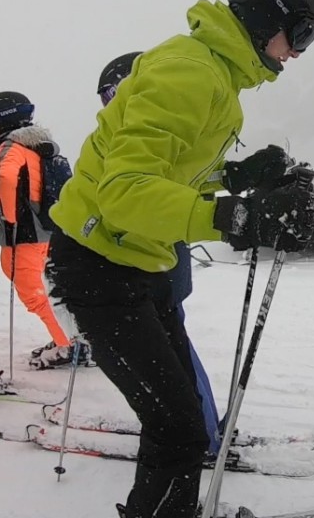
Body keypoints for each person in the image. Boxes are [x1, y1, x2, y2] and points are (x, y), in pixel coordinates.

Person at [45, 0, 314, 518]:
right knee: (177, 426)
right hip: (100, 265)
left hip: (138, 263)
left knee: (181, 421)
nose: (297, 51)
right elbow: (123, 192)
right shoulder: (190, 73)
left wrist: (237, 177)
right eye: (300, 33)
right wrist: (236, 219)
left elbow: (171, 169)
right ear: (262, 17)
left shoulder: (215, 75)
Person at [97, 51, 218, 453]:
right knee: (173, 351)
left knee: (171, 354)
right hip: (158, 261)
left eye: (111, 96)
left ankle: (201, 432)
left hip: (155, 263)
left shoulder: (143, 138)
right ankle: (200, 428)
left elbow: (145, 199)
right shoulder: (143, 137)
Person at [0, 91, 89, 369]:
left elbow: (7, 177)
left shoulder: (10, 146)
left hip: (24, 234)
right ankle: (69, 338)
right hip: (45, 230)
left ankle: (69, 344)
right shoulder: (37, 145)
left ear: (5, 118)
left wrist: (9, 221)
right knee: (44, 289)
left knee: (33, 293)